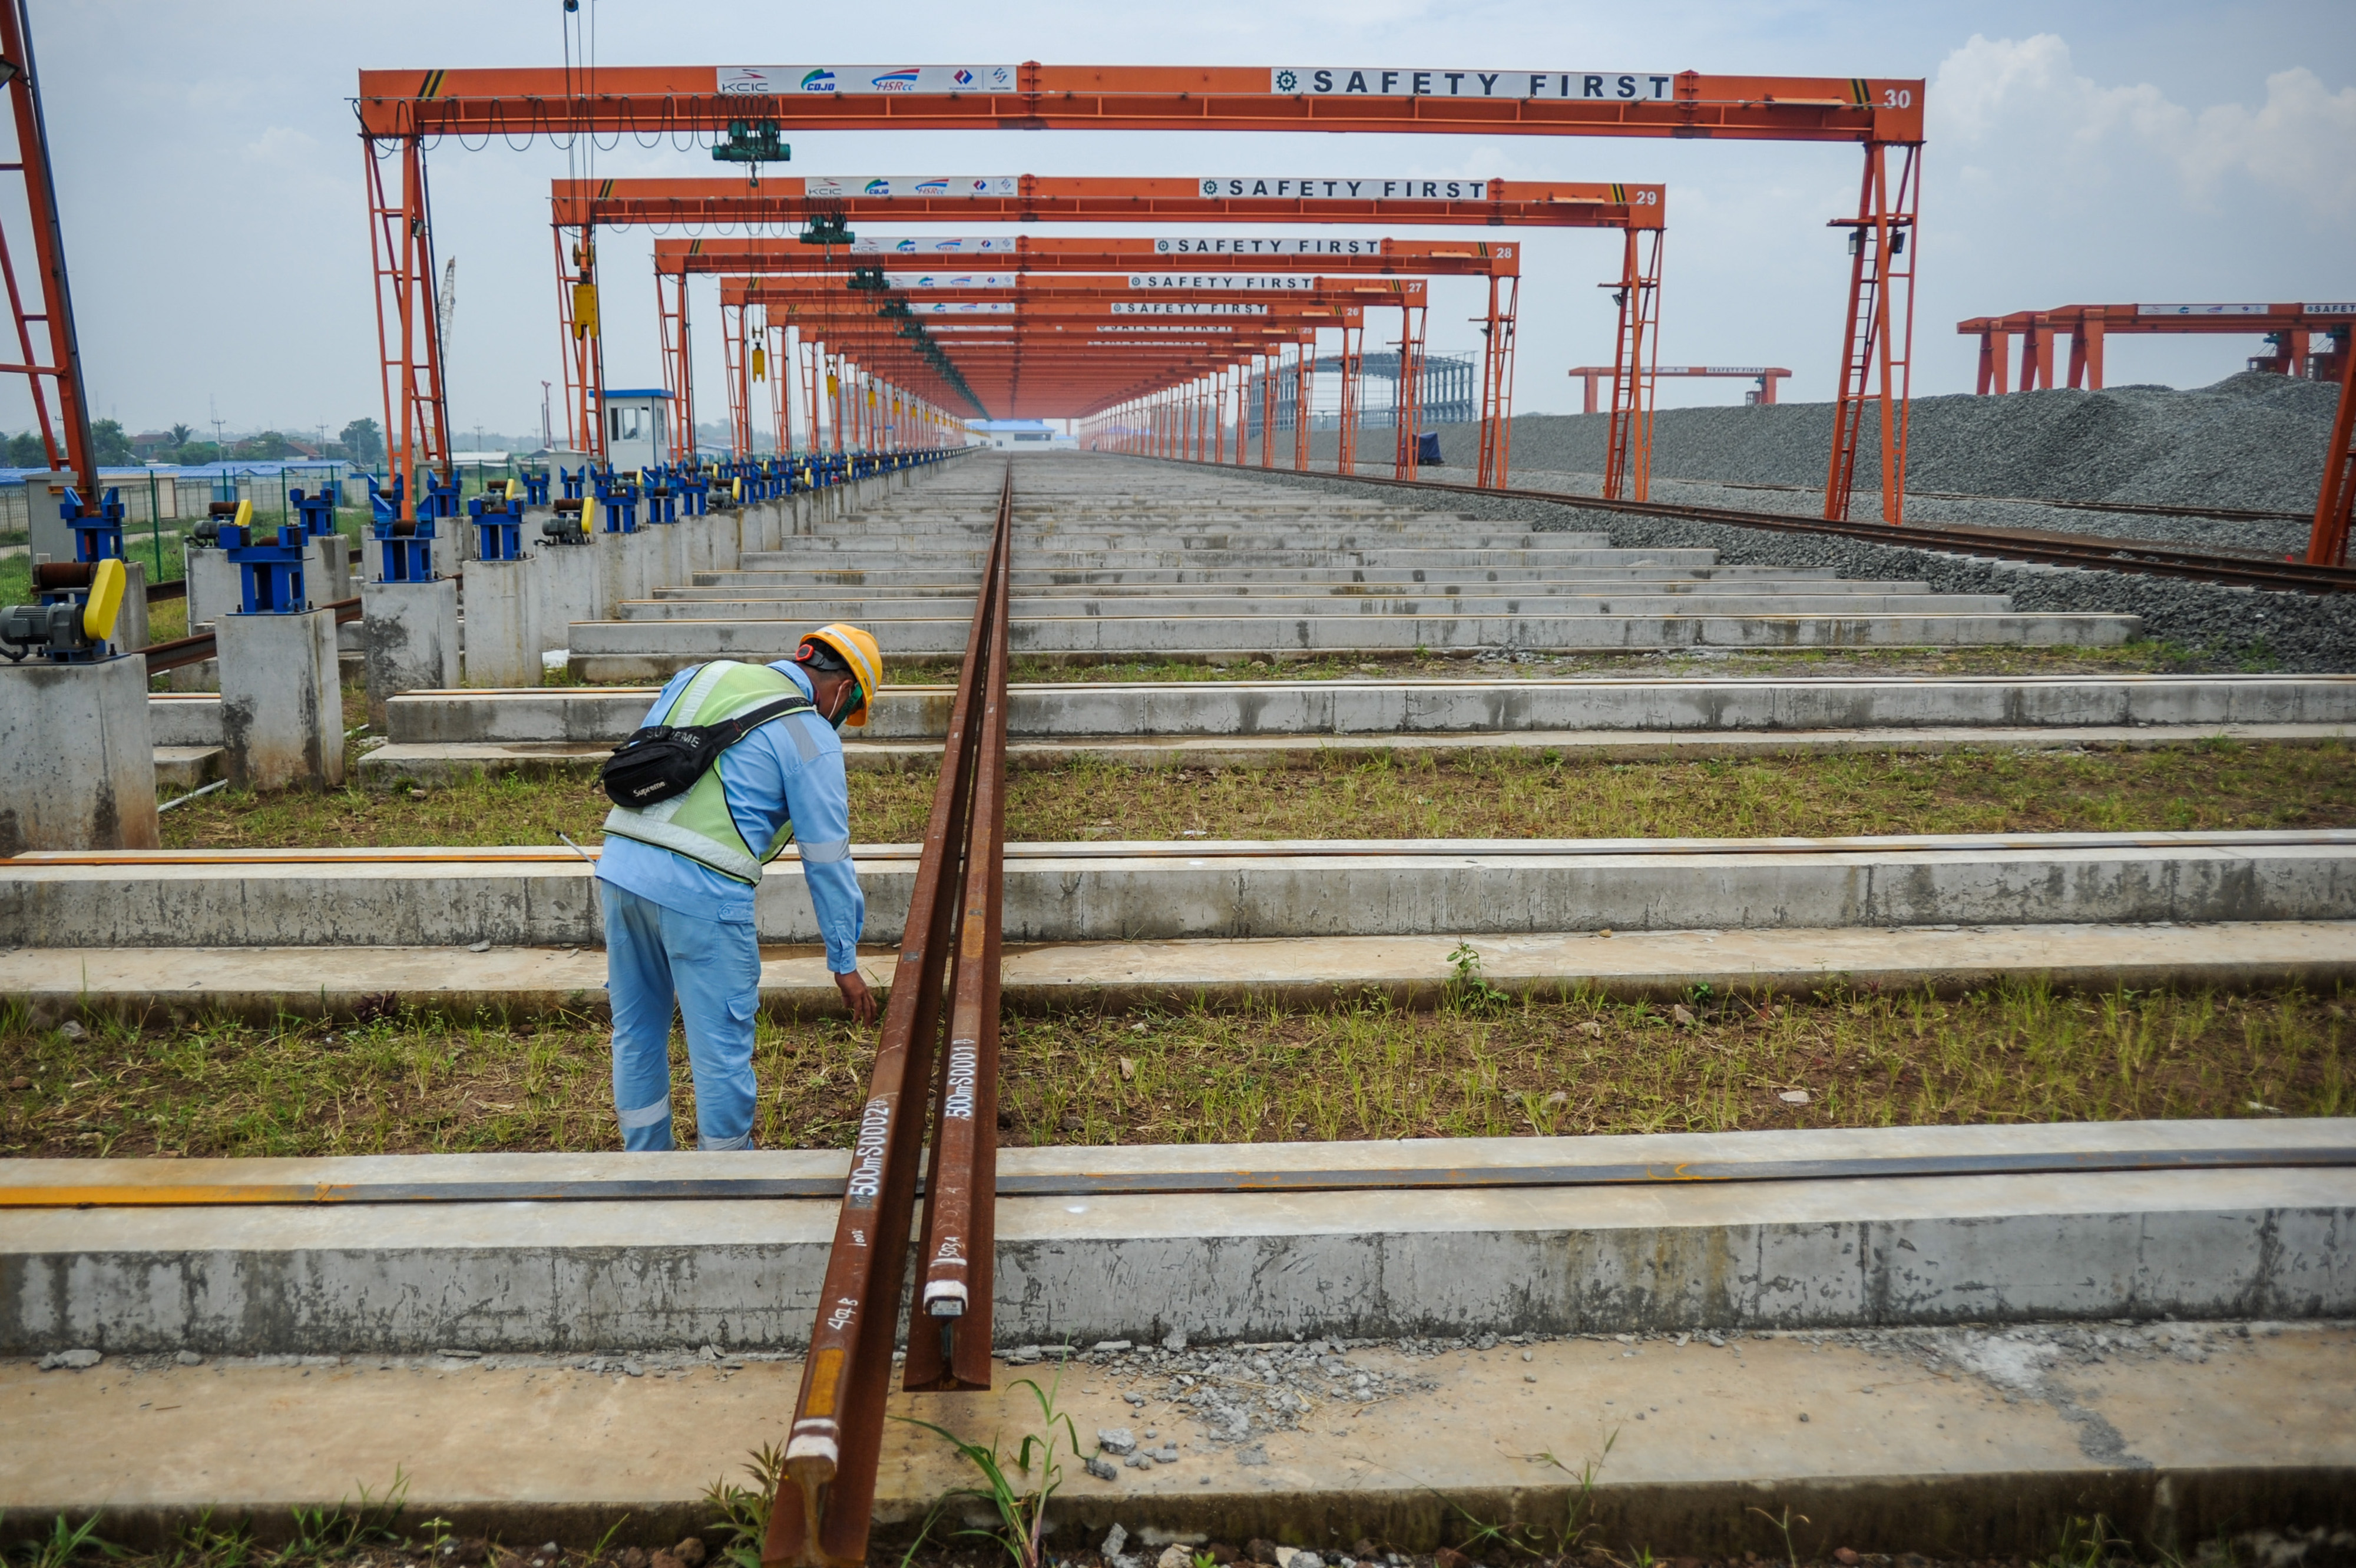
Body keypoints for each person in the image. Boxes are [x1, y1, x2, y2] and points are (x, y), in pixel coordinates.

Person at [595, 624, 885, 1152]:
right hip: (700, 892)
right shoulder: (806, 730)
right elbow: (827, 857)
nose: (839, 722)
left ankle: (644, 1169)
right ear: (844, 689)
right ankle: (723, 1180)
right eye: (847, 711)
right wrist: (844, 960)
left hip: (620, 869)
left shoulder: (701, 676)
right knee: (719, 1049)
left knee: (636, 1035)